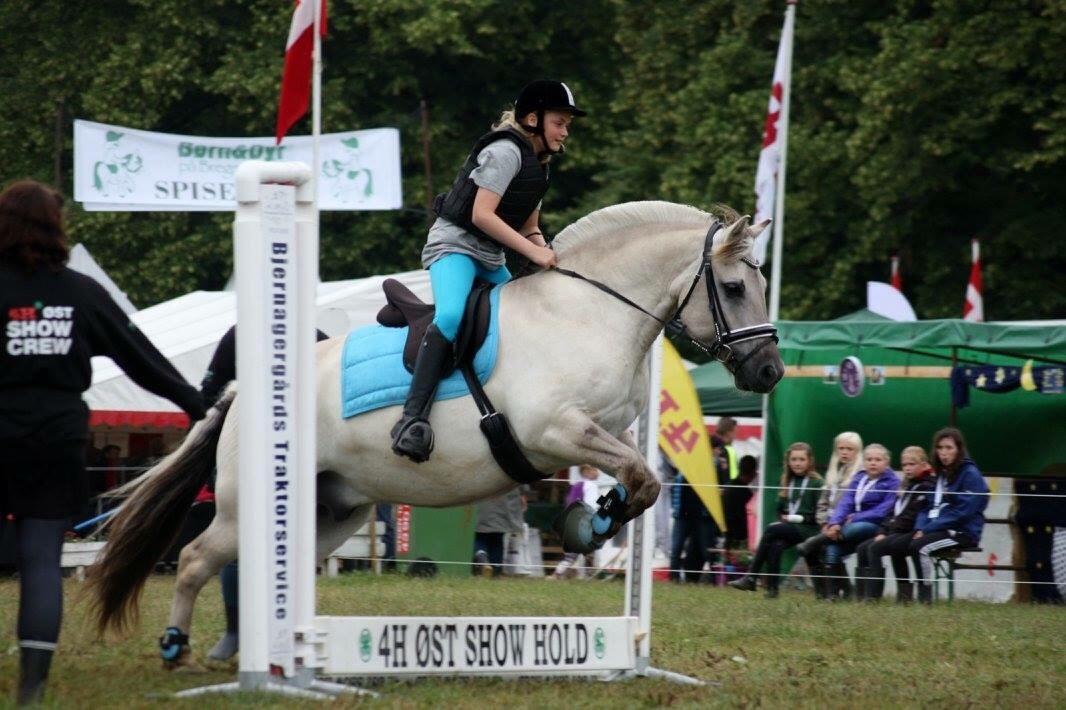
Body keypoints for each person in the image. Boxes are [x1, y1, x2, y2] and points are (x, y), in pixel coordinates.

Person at [0, 180, 206, 704]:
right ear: (56, 227)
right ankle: (31, 690)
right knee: (42, 560)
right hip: (57, 437)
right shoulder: (80, 293)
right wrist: (197, 404)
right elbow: (140, 357)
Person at [391, 80, 586, 463]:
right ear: (534, 119)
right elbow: (481, 214)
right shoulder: (504, 152)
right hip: (455, 245)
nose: (565, 132)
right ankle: (411, 419)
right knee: (449, 315)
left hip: (491, 256)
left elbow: (529, 226)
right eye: (560, 123)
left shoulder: (540, 167)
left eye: (567, 125)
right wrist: (531, 251)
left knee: (528, 318)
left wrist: (545, 251)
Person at [199, 323, 328, 662]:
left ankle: (283, 632)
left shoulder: (314, 337)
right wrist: (210, 455)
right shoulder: (240, 334)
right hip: (243, 453)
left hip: (300, 460)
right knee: (237, 542)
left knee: (291, 548)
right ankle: (235, 631)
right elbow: (208, 392)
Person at [800, 443, 899, 600]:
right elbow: (846, 502)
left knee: (857, 527)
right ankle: (833, 594)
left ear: (886, 463)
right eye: (869, 459)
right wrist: (835, 523)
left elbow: (884, 510)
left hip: (875, 526)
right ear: (864, 461)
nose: (873, 463)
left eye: (878, 459)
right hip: (848, 525)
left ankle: (816, 541)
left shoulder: (892, 482)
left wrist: (856, 517)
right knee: (833, 548)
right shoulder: (859, 477)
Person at [729, 443, 823, 598]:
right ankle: (772, 590)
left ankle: (751, 577)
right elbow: (781, 509)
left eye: (801, 459)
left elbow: (819, 516)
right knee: (775, 545)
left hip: (810, 528)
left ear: (809, 461)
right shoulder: (786, 481)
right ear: (788, 461)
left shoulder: (817, 483)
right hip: (792, 528)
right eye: (794, 459)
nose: (797, 463)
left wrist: (795, 518)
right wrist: (784, 515)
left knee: (772, 529)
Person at [909, 427, 989, 604]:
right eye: (940, 448)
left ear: (959, 449)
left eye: (948, 448)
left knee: (919, 547)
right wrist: (921, 527)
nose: (943, 453)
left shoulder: (970, 474)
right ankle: (912, 595)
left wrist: (929, 528)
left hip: (962, 532)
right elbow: (926, 506)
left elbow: (962, 513)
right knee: (908, 542)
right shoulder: (941, 474)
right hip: (939, 527)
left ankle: (925, 598)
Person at [854, 445, 934, 603]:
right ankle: (861, 594)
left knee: (875, 548)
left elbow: (910, 518)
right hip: (896, 531)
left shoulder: (927, 486)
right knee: (862, 548)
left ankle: (873, 597)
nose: (907, 468)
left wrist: (888, 532)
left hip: (913, 532)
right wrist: (881, 531)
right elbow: (892, 512)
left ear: (924, 465)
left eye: (912, 464)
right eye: (904, 465)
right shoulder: (907, 485)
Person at [797, 431, 862, 596]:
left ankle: (842, 591)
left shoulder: (860, 475)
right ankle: (824, 592)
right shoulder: (834, 472)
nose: (844, 452)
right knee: (816, 549)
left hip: (847, 524)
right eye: (841, 448)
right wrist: (824, 522)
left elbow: (854, 505)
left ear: (857, 451)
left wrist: (835, 524)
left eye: (849, 449)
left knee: (822, 547)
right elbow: (822, 503)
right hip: (829, 524)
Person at [667, 455, 718, 582]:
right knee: (676, 549)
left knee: (706, 550)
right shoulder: (681, 471)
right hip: (683, 517)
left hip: (699, 517)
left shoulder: (704, 473)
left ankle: (714, 579)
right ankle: (674, 578)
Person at [552, 465, 602, 578]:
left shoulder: (576, 486)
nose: (598, 473)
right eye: (595, 470)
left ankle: (561, 573)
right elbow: (591, 506)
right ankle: (559, 573)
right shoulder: (591, 486)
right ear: (586, 472)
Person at [473, 486, 527, 576]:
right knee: (497, 538)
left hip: (482, 498)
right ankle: (496, 569)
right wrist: (522, 494)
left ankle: (482, 558)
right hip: (504, 501)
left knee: (480, 536)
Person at [723, 455, 757, 549]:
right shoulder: (745, 493)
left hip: (728, 536)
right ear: (753, 473)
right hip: (740, 539)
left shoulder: (729, 486)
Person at [711, 417, 738, 485]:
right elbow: (731, 478)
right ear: (728, 432)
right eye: (734, 432)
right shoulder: (729, 450)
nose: (735, 436)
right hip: (723, 492)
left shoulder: (707, 446)